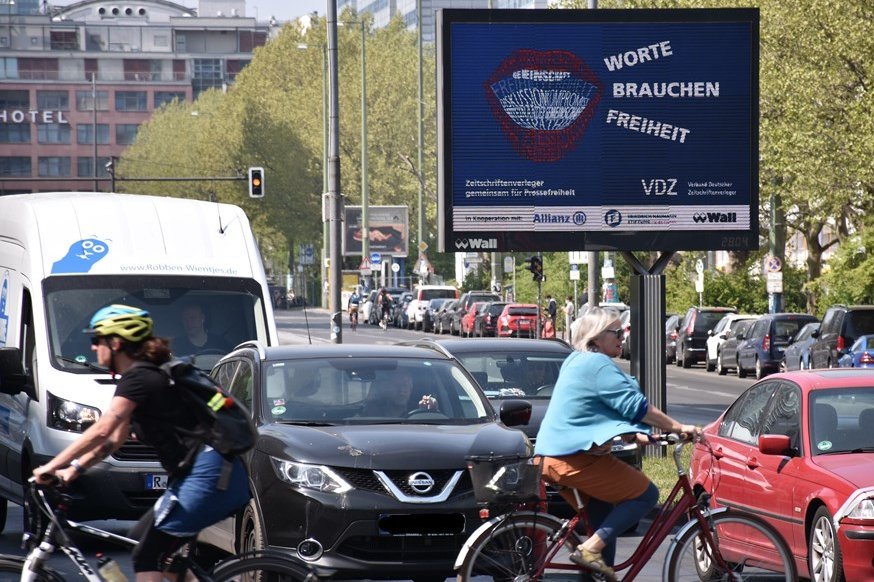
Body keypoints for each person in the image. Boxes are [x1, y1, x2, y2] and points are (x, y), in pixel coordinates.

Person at [32, 305, 250, 581]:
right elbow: (113, 440)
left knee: (148, 554)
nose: (93, 348)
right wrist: (74, 469)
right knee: (145, 544)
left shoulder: (139, 377)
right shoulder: (145, 376)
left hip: (209, 477)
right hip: (203, 476)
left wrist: (50, 466)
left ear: (116, 342)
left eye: (97, 340)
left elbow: (102, 428)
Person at [535, 307, 699, 581]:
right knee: (646, 495)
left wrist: (636, 435)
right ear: (596, 338)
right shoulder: (597, 364)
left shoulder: (577, 361)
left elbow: (594, 410)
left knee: (603, 519)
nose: (622, 335)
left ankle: (593, 560)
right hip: (575, 460)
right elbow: (636, 407)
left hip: (552, 458)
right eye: (616, 331)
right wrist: (679, 427)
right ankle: (589, 548)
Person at [360, 369, 438, 417]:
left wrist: (429, 411)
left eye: (406, 385)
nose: (402, 389)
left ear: (411, 389)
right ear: (387, 388)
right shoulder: (370, 415)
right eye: (397, 385)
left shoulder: (419, 417)